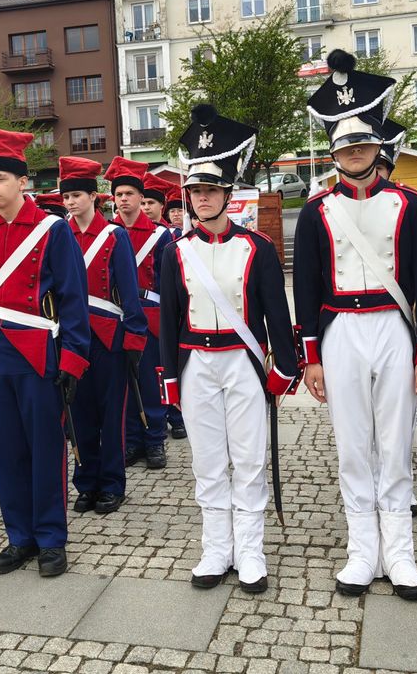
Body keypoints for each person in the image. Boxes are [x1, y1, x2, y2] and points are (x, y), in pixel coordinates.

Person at [295, 49, 417, 601]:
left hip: (392, 329)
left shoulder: (410, 204)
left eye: (362, 143)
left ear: (377, 148)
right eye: (345, 145)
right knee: (354, 444)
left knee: (395, 439)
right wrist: (309, 355)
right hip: (340, 334)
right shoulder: (316, 210)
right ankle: (363, 550)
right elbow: (306, 289)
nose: (354, 152)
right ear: (335, 151)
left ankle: (400, 552)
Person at [161, 104, 297, 594]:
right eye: (195, 191)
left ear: (226, 193)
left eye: (210, 190)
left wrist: (284, 366)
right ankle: (216, 548)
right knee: (207, 461)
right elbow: (169, 319)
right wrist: (169, 376)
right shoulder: (175, 251)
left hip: (244, 362)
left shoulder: (257, 247)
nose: (201, 198)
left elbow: (276, 313)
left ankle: (251, 549)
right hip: (196, 361)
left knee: (249, 457)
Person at [0, 127, 90, 578]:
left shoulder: (52, 231)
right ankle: (20, 537)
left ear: (22, 182)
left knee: (45, 448)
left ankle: (51, 538)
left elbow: (74, 298)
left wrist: (72, 360)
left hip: (38, 355)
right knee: (4, 451)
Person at [59, 156, 146, 515]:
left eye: (77, 195)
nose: (70, 203)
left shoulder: (115, 236)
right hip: (71, 339)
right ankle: (86, 482)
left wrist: (134, 339)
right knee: (79, 414)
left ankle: (112, 483)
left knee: (111, 415)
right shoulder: (58, 234)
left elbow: (129, 288)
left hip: (109, 337)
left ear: (94, 197)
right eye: (66, 197)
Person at [106, 157, 173, 469]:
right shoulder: (107, 233)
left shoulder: (161, 236)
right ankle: (131, 441)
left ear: (140, 198)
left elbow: (167, 281)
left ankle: (155, 439)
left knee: (148, 381)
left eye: (130, 194)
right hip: (114, 313)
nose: (124, 200)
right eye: (118, 194)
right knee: (122, 383)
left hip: (148, 314)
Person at [142, 172, 186, 440]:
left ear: (162, 207)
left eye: (151, 203)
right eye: (143, 202)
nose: (146, 208)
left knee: (168, 363)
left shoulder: (171, 236)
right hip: (142, 310)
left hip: (162, 308)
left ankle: (176, 414)